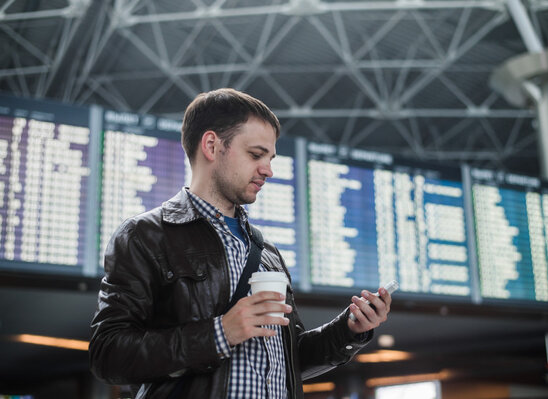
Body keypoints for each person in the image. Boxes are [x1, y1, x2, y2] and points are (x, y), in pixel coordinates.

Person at [89, 88, 392, 398]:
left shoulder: (267, 253)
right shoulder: (146, 235)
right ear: (211, 145)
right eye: (255, 154)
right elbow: (108, 355)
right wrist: (220, 333)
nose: (268, 170)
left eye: (270, 158)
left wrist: (350, 329)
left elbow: (290, 359)